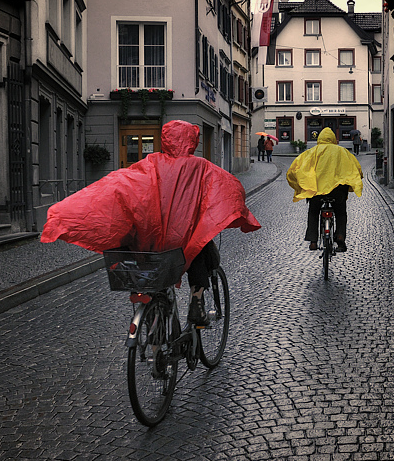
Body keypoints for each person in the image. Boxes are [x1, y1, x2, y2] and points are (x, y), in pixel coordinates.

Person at [41, 119, 261, 325]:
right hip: (181, 244)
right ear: (192, 141)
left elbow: (120, 186)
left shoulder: (150, 163)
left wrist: (63, 215)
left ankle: (155, 347)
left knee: (150, 281)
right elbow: (230, 189)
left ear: (165, 140)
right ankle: (197, 299)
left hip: (149, 243)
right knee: (201, 251)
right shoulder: (202, 167)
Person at [286, 127, 363, 252]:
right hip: (338, 191)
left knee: (313, 212)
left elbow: (295, 169)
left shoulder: (312, 152)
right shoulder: (343, 152)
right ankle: (340, 237)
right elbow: (357, 170)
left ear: (319, 139)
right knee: (341, 213)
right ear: (333, 139)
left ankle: (313, 241)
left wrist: (301, 184)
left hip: (317, 191)